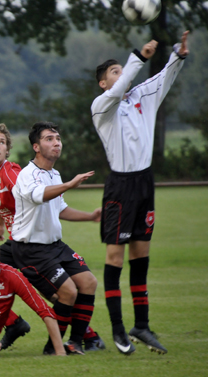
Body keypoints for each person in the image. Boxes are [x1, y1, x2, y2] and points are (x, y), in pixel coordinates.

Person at [91, 31, 189, 355]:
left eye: (123, 69)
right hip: (120, 186)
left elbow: (164, 78)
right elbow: (122, 85)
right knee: (115, 257)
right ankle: (119, 329)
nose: (122, 76)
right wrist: (138, 58)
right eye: (114, 72)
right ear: (103, 84)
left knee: (141, 256)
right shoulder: (102, 106)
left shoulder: (142, 96)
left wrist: (178, 54)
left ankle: (141, 326)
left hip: (145, 183)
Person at [0, 123, 105, 352]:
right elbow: (26, 198)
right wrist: (0, 225)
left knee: (84, 284)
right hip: (27, 245)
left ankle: (77, 341)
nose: (56, 142)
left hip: (47, 244)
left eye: (58, 138)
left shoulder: (25, 174)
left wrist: (90, 216)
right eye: (50, 139)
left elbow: (55, 206)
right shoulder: (11, 174)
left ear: (8, 149)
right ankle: (37, 335)